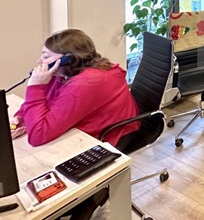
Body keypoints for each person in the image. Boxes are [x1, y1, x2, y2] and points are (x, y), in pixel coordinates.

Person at [11, 29, 140, 147]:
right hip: (84, 126)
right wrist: (21, 117)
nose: (39, 61)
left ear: (68, 59)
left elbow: (38, 136)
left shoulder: (86, 83)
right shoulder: (66, 71)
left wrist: (35, 86)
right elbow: (47, 99)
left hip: (109, 138)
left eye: (46, 56)